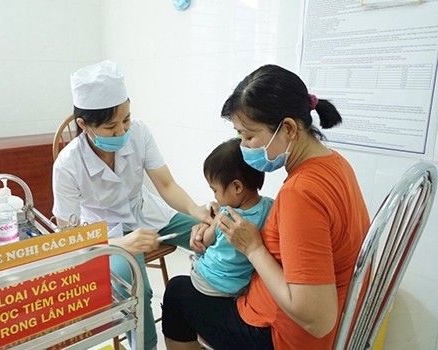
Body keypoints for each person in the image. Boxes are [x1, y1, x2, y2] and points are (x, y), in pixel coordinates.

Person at [161, 64, 370, 350]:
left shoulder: (300, 193)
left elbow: (317, 319)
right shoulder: (335, 163)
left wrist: (254, 249)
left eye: (248, 136)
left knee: (176, 292)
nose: (244, 147)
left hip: (283, 336)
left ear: (288, 128)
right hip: (335, 315)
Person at [52, 60, 212, 350]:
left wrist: (197, 210)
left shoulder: (139, 132)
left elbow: (166, 185)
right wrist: (121, 244)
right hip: (104, 233)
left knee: (214, 238)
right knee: (136, 289)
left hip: (147, 213)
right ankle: (145, 345)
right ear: (84, 125)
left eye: (126, 119)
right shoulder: (68, 165)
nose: (123, 131)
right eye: (111, 126)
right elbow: (69, 239)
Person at [190, 138, 273, 297]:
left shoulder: (226, 215)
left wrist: (211, 224)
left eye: (215, 190)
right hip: (240, 287)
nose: (214, 195)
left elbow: (204, 242)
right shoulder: (270, 207)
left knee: (197, 257)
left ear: (237, 187)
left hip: (208, 282)